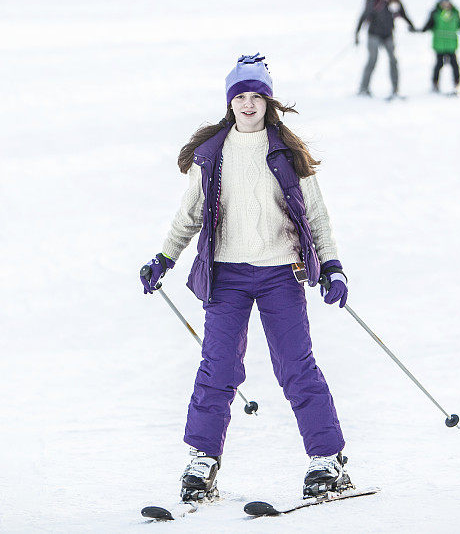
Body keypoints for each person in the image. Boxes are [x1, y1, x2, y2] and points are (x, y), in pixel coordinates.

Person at [140, 54, 352, 503]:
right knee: (217, 368)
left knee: (296, 367)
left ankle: (327, 461)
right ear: (230, 103)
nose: (249, 104)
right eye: (241, 97)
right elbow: (188, 216)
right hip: (228, 277)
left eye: (257, 96)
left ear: (268, 102)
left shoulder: (286, 153)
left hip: (281, 273)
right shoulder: (214, 153)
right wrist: (164, 258)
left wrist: (332, 265)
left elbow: (315, 216)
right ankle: (202, 461)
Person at [355, 0, 415, 98]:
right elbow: (363, 17)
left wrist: (412, 26)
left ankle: (395, 90)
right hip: (374, 35)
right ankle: (363, 88)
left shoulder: (395, 2)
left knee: (393, 60)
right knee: (373, 59)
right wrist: (357, 33)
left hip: (388, 35)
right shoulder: (373, 2)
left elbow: (404, 15)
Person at [418, 0, 460, 95]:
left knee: (454, 64)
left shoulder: (454, 12)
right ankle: (435, 83)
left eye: (447, 1)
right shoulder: (435, 12)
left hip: (451, 44)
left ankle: (456, 83)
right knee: (439, 64)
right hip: (439, 44)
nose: (445, 3)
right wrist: (420, 30)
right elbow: (429, 25)